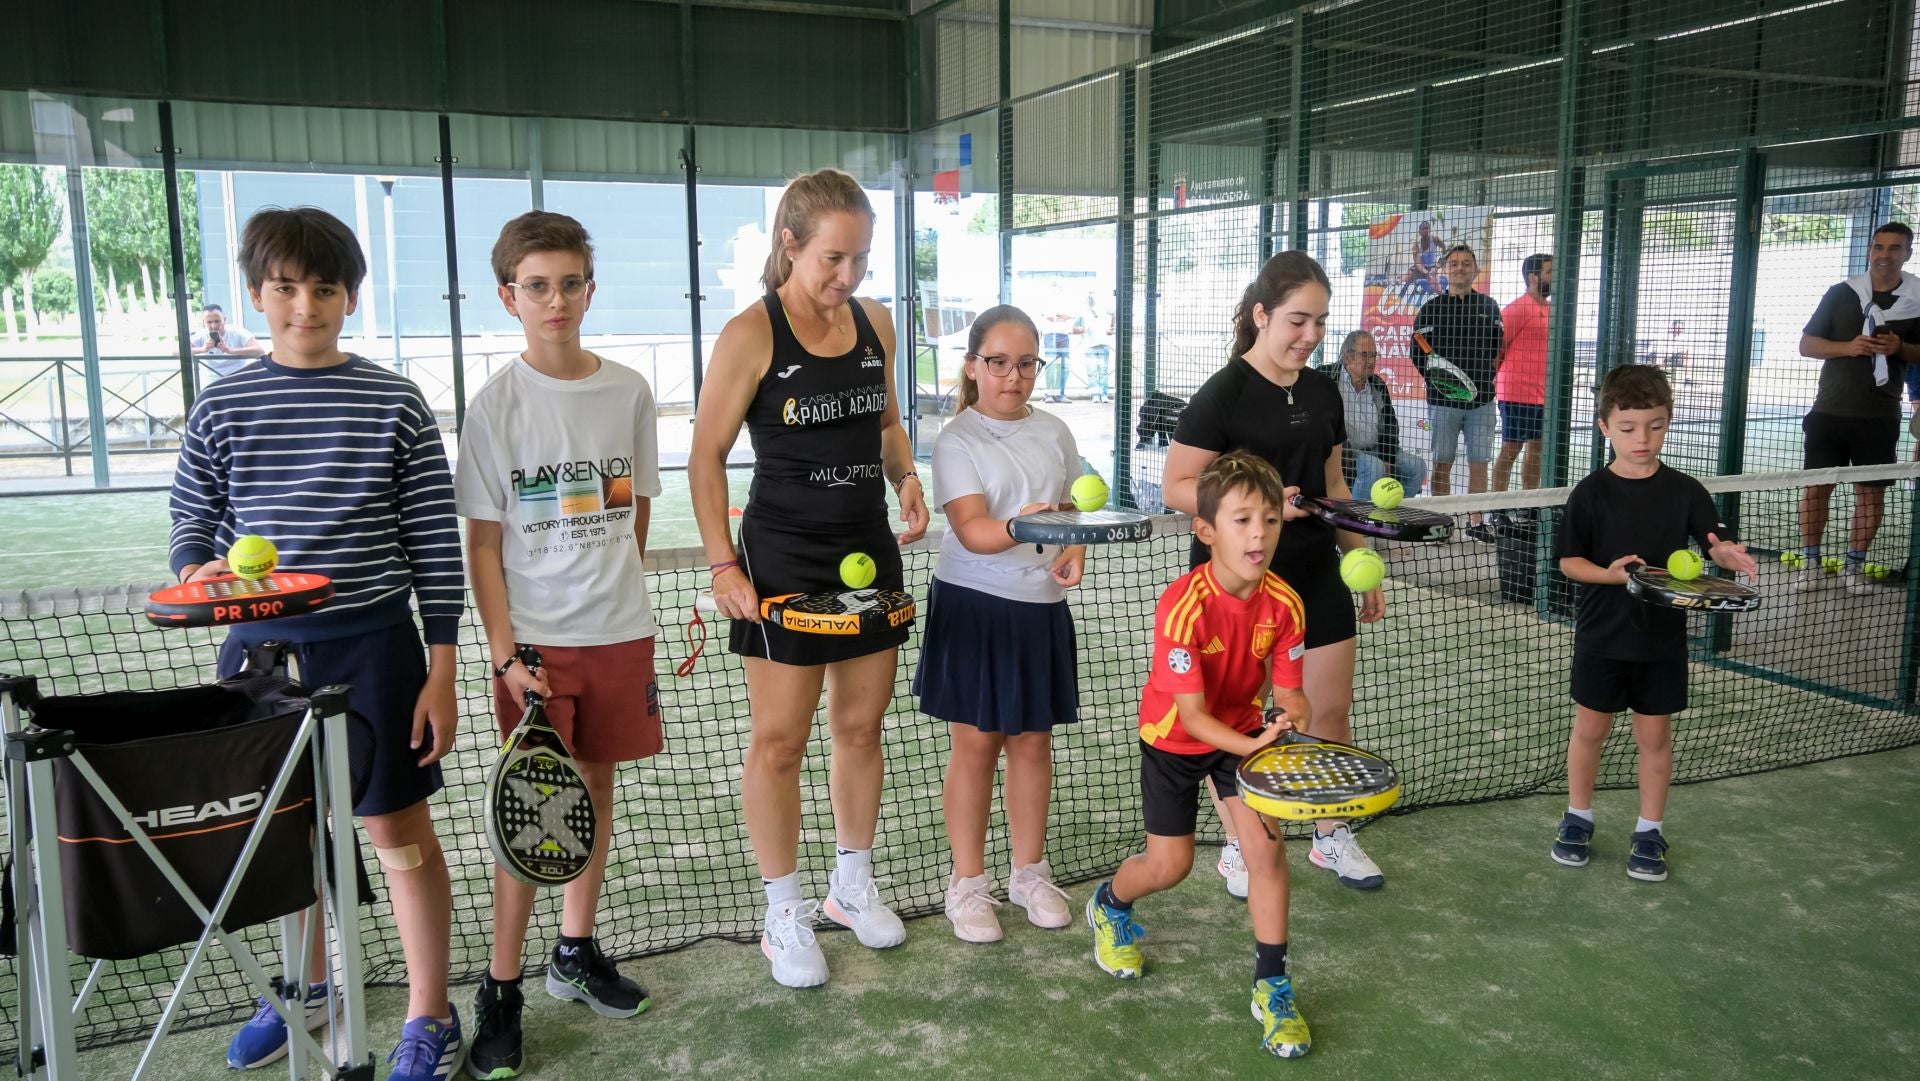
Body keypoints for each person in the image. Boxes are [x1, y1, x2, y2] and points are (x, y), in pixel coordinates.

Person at [169, 208, 465, 1080]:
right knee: (285, 834)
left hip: (376, 651)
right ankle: (308, 991)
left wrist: (440, 670)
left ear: (350, 296)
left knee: (395, 829)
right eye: (286, 287)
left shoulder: (395, 400)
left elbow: (434, 546)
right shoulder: (221, 404)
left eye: (325, 287)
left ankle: (429, 1012)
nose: (307, 305)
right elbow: (193, 524)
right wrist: (197, 570)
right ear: (256, 295)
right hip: (259, 662)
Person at [689, 168, 929, 989]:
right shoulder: (749, 334)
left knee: (862, 729)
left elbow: (887, 419)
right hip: (780, 556)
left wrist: (905, 478)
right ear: (789, 244)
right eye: (833, 258)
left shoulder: (876, 323)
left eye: (859, 258)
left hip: (867, 547)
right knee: (780, 740)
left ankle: (850, 886)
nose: (848, 276)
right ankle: (782, 909)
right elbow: (705, 456)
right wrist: (724, 562)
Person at [454, 212, 663, 1078]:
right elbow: (482, 547)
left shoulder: (630, 392)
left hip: (619, 635)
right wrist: (508, 653)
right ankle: (500, 988)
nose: (556, 299)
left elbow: (637, 512)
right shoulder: (495, 406)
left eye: (570, 282)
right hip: (534, 649)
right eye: (536, 285)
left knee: (596, 791)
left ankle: (573, 952)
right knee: (533, 813)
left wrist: (610, 602)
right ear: (509, 295)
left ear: (589, 287)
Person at [1161, 251, 1389, 894]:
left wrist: (1359, 558)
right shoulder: (1222, 394)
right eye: (1297, 320)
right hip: (1234, 589)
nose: (1309, 336)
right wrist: (1257, 506)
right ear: (1261, 315)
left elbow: (1336, 483)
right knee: (1238, 720)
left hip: (1315, 572)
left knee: (1328, 710)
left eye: (1319, 321)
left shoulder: (1322, 391)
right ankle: (1241, 841)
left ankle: (1329, 835)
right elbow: (1177, 484)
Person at [1084, 450, 1315, 1058]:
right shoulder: (1182, 605)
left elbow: (1291, 690)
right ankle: (1111, 903)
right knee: (1171, 867)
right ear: (1206, 530)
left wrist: (1291, 717)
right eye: (1241, 520)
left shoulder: (1285, 604)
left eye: (1268, 519)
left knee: (1266, 852)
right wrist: (1257, 743)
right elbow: (1191, 716)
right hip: (1176, 741)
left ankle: (1272, 985)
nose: (1258, 534)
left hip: (1241, 735)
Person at [917, 305, 1083, 944]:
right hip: (974, 605)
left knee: (1033, 743)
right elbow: (974, 529)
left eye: (1025, 364)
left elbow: (1071, 505)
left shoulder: (1056, 431)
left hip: (1040, 608)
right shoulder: (958, 439)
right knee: (977, 745)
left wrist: (1071, 545)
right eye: (998, 363)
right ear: (973, 366)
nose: (1012, 377)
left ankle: (1029, 874)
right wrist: (1027, 526)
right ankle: (967, 887)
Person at [1552, 364, 1756, 882]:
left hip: (1663, 640)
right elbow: (1568, 562)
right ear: (1604, 426)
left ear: (1668, 422)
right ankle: (1578, 817)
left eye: (1656, 425)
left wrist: (1727, 554)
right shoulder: (1590, 493)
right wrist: (1611, 575)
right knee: (1591, 730)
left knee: (1655, 738)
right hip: (1601, 634)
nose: (1642, 438)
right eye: (1628, 428)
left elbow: (1715, 540)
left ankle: (1649, 831)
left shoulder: (1685, 491)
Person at [1794, 221, 1920, 596]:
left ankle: (1854, 567)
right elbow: (1807, 345)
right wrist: (1847, 347)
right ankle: (1811, 563)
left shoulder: (1917, 300)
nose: (1885, 255)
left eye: (1894, 248)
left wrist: (1898, 347)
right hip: (1828, 414)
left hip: (1878, 418)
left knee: (1870, 494)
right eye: (1879, 247)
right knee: (1815, 490)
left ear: (1907, 254)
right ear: (1870, 251)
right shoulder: (1840, 293)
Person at [1411, 244, 1504, 525]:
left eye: (1466, 263)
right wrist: (1440, 381)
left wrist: (1477, 378)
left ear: (1475, 270)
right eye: (1454, 263)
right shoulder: (1431, 309)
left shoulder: (1489, 306)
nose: (1460, 267)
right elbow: (1418, 348)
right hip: (1443, 403)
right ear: (1444, 269)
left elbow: (1496, 349)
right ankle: (1442, 522)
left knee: (1479, 464)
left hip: (1482, 402)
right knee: (1442, 464)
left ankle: (1477, 523)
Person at [1327, 330, 1425, 496]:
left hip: (1376, 448)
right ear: (1347, 357)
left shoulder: (1377, 384)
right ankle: (1356, 519)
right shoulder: (1328, 378)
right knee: (1373, 467)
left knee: (1417, 466)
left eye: (1374, 355)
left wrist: (1388, 457)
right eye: (1365, 355)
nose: (1371, 361)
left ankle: (1394, 518)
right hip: (1344, 452)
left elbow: (1390, 425)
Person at [1494, 253, 1552, 492]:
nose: (1555, 277)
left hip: (1542, 394)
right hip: (1516, 393)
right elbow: (1498, 348)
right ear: (1533, 277)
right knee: (1511, 449)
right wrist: (1494, 381)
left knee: (1537, 447)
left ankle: (1529, 505)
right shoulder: (1517, 309)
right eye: (1550, 272)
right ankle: (1497, 509)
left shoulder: (1551, 310)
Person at [190, 302, 264, 380]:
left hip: (237, 378)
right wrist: (203, 349)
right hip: (210, 381)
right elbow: (178, 351)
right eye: (209, 322)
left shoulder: (237, 331)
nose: (214, 326)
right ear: (204, 322)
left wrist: (230, 350)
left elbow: (259, 350)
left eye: (217, 321)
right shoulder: (201, 334)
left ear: (224, 319)